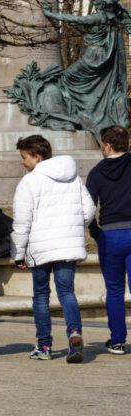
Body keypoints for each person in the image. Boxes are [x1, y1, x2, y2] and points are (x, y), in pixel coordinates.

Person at [11, 133, 94, 363]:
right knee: (67, 292)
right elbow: (89, 210)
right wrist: (73, 228)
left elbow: (22, 222)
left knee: (41, 295)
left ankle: (45, 346)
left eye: (24, 157)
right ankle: (74, 333)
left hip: (41, 248)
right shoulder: (72, 177)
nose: (22, 162)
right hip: (67, 246)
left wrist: (18, 253)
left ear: (37, 157)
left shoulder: (29, 181)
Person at [88, 124, 131, 356]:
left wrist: (96, 231)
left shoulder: (97, 172)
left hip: (111, 234)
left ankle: (117, 341)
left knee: (114, 290)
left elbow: (87, 209)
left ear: (107, 145)